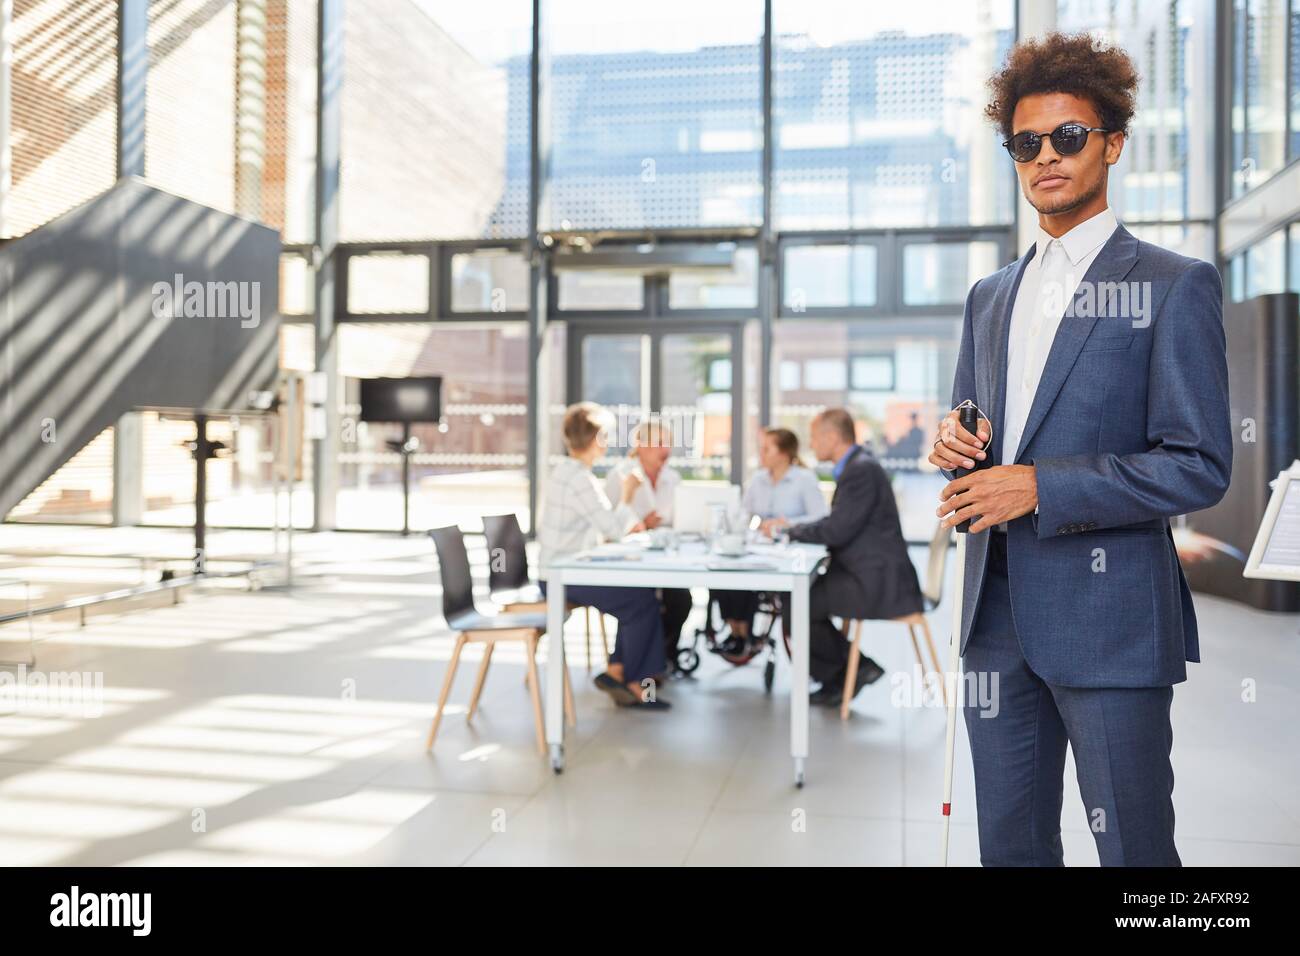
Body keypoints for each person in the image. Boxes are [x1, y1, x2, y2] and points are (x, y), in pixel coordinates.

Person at [928, 33, 1230, 866]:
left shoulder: (1174, 284)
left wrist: (1038, 487)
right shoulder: (990, 296)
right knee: (1011, 848)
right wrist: (959, 448)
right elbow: (979, 432)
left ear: (1113, 143)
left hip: (1110, 623)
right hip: (994, 620)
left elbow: (1199, 462)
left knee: (1134, 854)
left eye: (1068, 136)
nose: (1046, 157)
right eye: (1027, 143)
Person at [762, 409, 923, 707]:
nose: (811, 444)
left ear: (832, 437)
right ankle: (845, 673)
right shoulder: (860, 466)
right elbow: (840, 525)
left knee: (797, 605)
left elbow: (837, 530)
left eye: (814, 437)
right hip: (866, 572)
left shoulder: (860, 470)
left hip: (876, 581)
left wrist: (789, 530)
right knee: (798, 601)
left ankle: (853, 669)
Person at [538, 403, 671, 710]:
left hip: (566, 570)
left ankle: (618, 672)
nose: (609, 442)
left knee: (640, 596)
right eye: (606, 435)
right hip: (562, 577)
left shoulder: (568, 472)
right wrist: (627, 493)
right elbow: (611, 528)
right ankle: (637, 684)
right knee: (642, 603)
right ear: (596, 438)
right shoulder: (579, 479)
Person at [711, 427, 826, 657]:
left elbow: (821, 516)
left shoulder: (803, 479)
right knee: (726, 571)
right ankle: (736, 632)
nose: (760, 454)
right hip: (759, 547)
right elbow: (744, 513)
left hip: (789, 550)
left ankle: (744, 634)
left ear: (783, 454)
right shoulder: (758, 480)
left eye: (766, 449)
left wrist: (788, 523)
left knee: (751, 579)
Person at [603, 420, 692, 672]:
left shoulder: (672, 478)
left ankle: (660, 657)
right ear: (639, 445)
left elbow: (681, 521)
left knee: (681, 599)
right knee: (642, 598)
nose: (665, 451)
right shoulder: (619, 476)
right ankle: (640, 665)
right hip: (629, 563)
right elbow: (609, 526)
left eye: (668, 444)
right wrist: (642, 524)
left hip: (663, 560)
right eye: (659, 444)